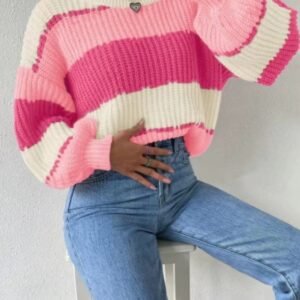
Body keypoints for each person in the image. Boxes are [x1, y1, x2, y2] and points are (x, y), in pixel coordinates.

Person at [13, 0, 300, 299]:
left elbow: (262, 43)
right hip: (106, 201)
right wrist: (101, 153)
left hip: (181, 189)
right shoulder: (56, 13)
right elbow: (34, 123)